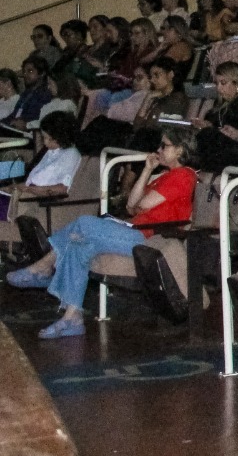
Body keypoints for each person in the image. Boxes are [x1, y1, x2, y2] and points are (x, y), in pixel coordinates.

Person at [7, 127, 199, 339]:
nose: (158, 149)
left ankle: (44, 266)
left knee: (84, 223)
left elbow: (142, 205)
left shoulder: (184, 175)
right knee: (79, 246)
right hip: (134, 229)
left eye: (164, 145)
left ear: (180, 150)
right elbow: (131, 205)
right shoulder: (162, 176)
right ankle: (72, 318)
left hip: (149, 236)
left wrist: (139, 207)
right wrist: (146, 170)